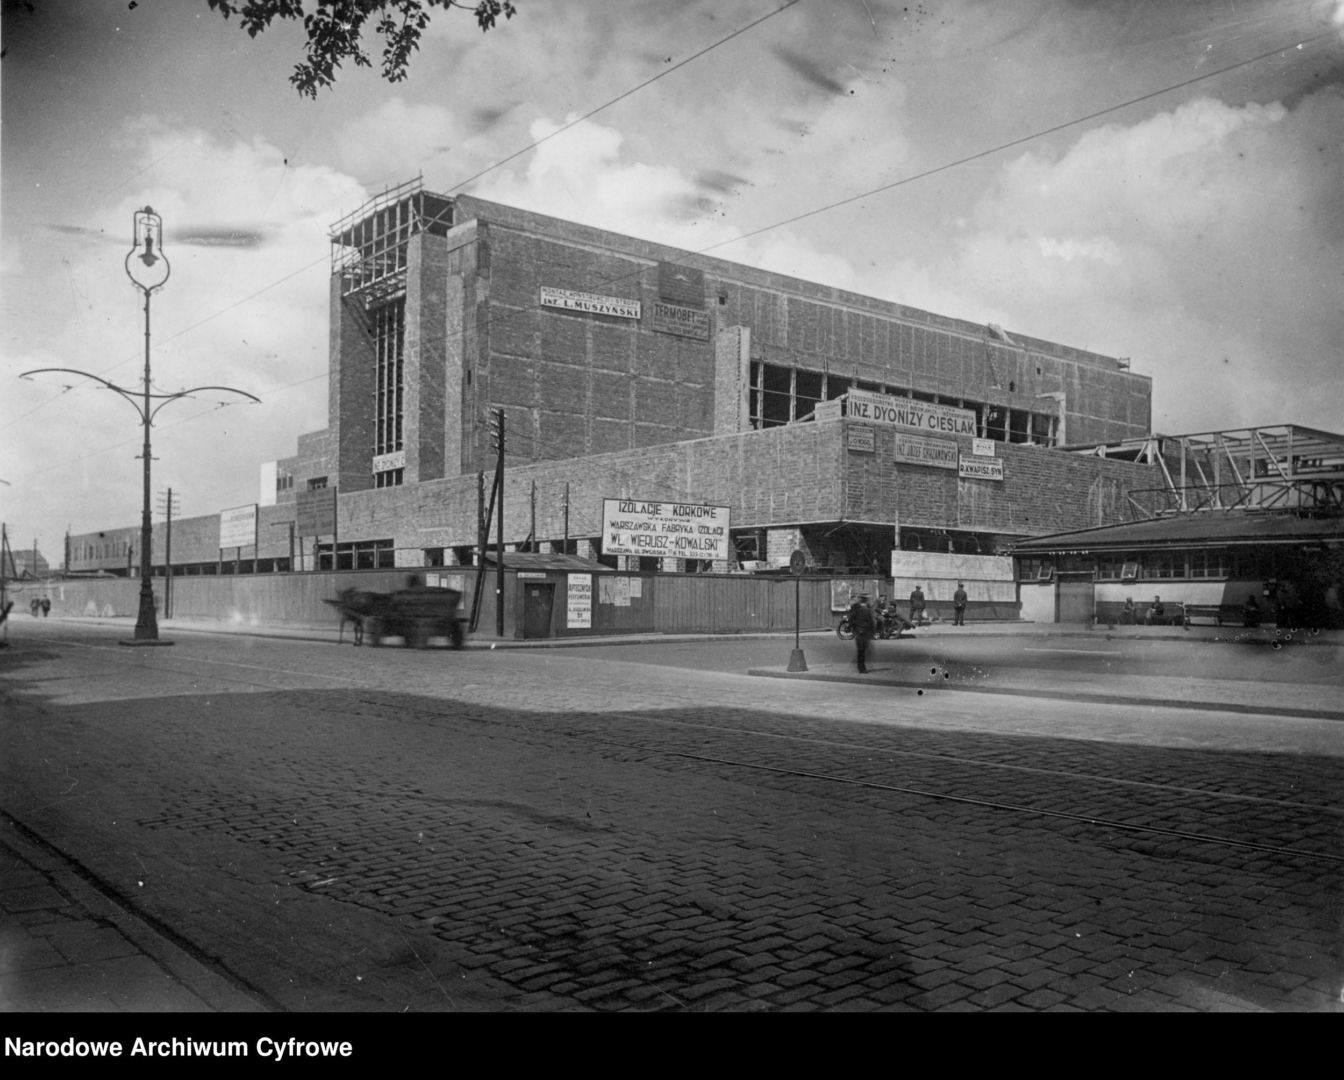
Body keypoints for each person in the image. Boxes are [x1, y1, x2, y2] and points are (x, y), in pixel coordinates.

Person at [851, 595, 876, 674]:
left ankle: (861, 667)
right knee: (862, 651)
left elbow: (851, 620)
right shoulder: (866, 610)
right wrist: (872, 632)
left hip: (859, 632)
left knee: (861, 651)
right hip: (864, 632)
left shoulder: (856, 608)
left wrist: (854, 630)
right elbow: (871, 622)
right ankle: (862, 668)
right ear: (865, 600)